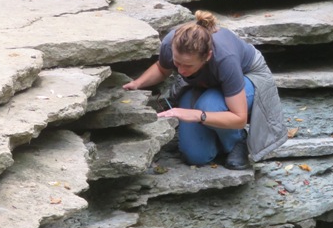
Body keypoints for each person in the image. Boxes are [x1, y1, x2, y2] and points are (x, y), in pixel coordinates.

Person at [123, 10, 287, 169]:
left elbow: (239, 118)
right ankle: (217, 135)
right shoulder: (170, 43)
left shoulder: (225, 58)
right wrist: (137, 84)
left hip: (248, 76)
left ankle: (237, 141)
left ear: (207, 56)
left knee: (208, 105)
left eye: (187, 66)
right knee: (196, 156)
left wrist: (196, 115)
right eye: (177, 63)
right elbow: (162, 69)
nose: (180, 71)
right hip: (205, 83)